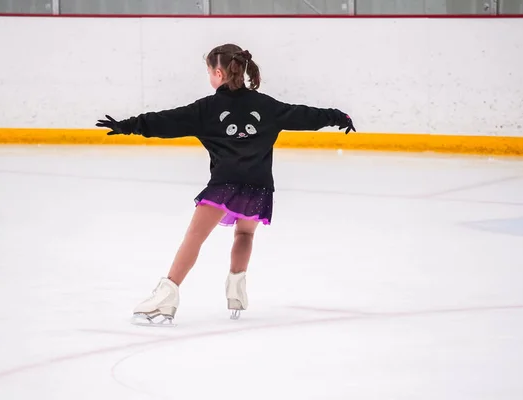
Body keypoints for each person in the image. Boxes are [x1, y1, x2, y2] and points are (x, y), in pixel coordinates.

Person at [96, 43, 356, 326]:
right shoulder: (267, 106)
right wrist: (337, 116)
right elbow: (305, 115)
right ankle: (237, 291)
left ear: (218, 72)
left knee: (193, 239)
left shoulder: (205, 109)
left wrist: (129, 125)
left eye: (208, 71)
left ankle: (165, 299)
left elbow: (166, 122)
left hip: (225, 186)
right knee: (244, 235)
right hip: (259, 187)